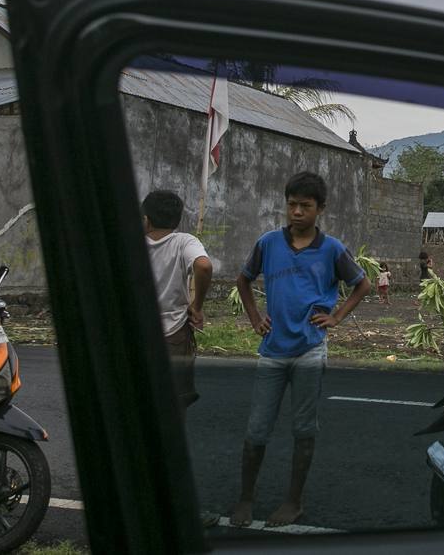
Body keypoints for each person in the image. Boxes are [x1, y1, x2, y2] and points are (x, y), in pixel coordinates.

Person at [229, 172, 372, 528]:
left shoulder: (332, 249)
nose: (296, 212)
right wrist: (254, 317)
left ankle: (294, 501)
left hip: (310, 349)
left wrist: (336, 316)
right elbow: (244, 279)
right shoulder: (268, 243)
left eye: (305, 206)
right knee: (257, 429)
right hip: (273, 349)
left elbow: (362, 284)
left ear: (320, 209)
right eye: (291, 205)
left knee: (303, 428)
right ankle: (246, 499)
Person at [141, 190, 213, 416]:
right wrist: (197, 306)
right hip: (174, 335)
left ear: (146, 220)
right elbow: (203, 266)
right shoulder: (184, 241)